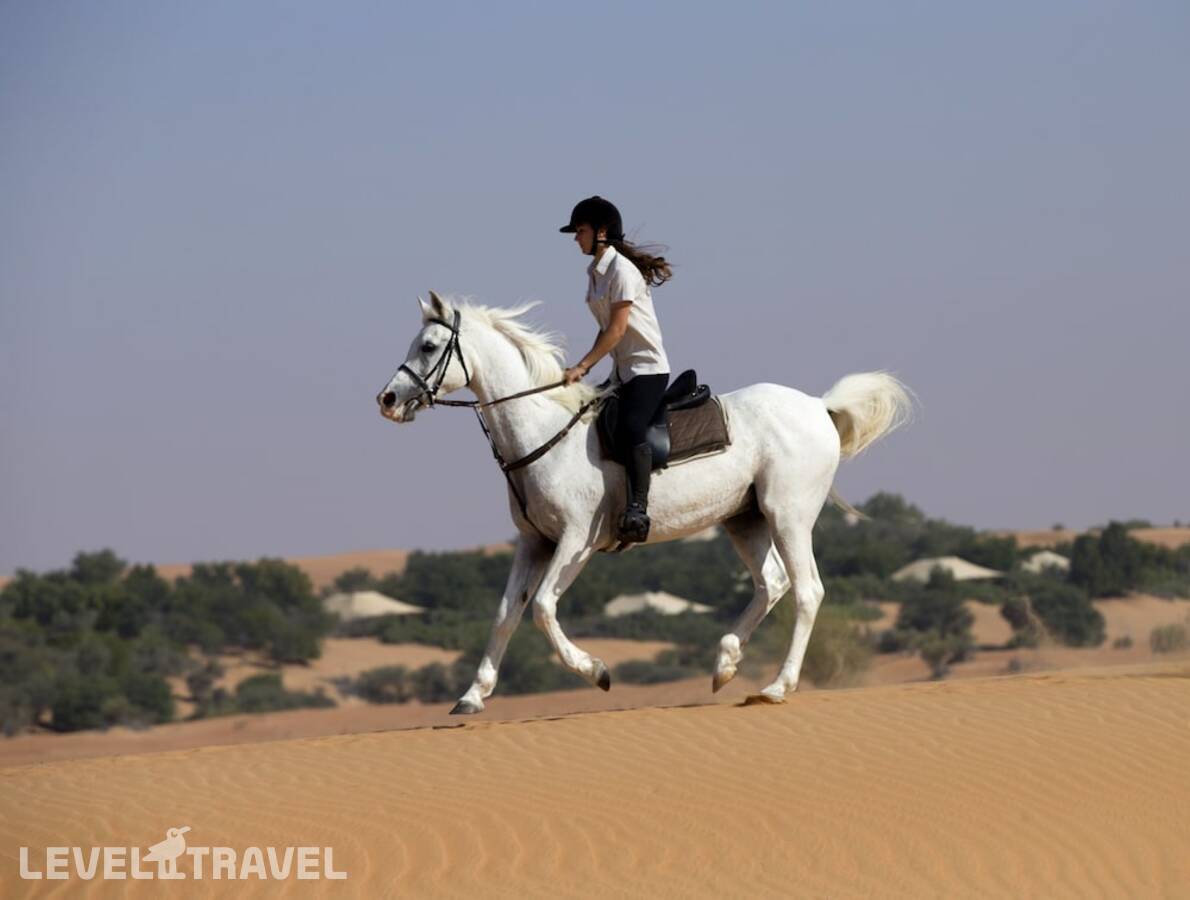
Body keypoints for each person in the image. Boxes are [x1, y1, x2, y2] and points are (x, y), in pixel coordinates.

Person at [559, 196, 673, 543]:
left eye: (580, 231)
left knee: (630, 425)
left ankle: (638, 507)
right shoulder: (595, 273)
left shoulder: (622, 271)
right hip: (622, 370)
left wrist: (582, 365)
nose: (576, 238)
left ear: (602, 232)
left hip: (647, 369)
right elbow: (607, 327)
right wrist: (589, 364)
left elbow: (618, 330)